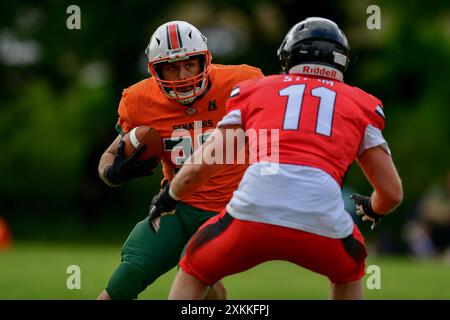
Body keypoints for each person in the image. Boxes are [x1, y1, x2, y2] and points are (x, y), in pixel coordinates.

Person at [148, 17, 403, 300]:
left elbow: (204, 165)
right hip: (323, 223)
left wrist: (169, 196)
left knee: (194, 270)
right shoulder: (361, 103)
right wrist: (373, 208)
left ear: (288, 57)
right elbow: (392, 193)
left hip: (251, 215)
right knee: (348, 274)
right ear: (342, 61)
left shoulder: (256, 90)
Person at [96, 20, 264, 300]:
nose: (183, 75)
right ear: (156, 70)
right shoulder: (139, 100)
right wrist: (110, 174)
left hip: (231, 209)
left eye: (189, 64)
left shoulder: (242, 83)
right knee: (125, 279)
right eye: (172, 67)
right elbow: (109, 156)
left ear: (204, 61)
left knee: (193, 277)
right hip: (176, 206)